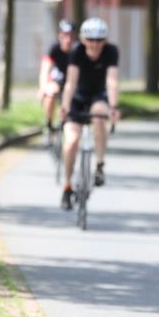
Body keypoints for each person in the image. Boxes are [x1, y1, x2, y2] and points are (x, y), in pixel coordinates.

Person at [59, 18, 120, 209]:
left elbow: (112, 81)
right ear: (83, 40)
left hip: (99, 97)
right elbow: (70, 82)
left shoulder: (111, 51)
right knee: (70, 142)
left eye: (99, 40)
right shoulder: (77, 51)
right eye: (91, 40)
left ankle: (99, 164)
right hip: (78, 97)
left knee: (99, 115)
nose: (95, 44)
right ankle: (67, 185)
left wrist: (113, 106)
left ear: (105, 40)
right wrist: (65, 106)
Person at [38, 19, 75, 139]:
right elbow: (45, 69)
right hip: (58, 80)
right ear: (59, 35)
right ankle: (48, 124)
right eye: (64, 35)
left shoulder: (78, 50)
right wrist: (43, 88)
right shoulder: (54, 48)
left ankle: (65, 122)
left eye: (71, 36)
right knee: (51, 92)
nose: (68, 39)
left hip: (73, 81)